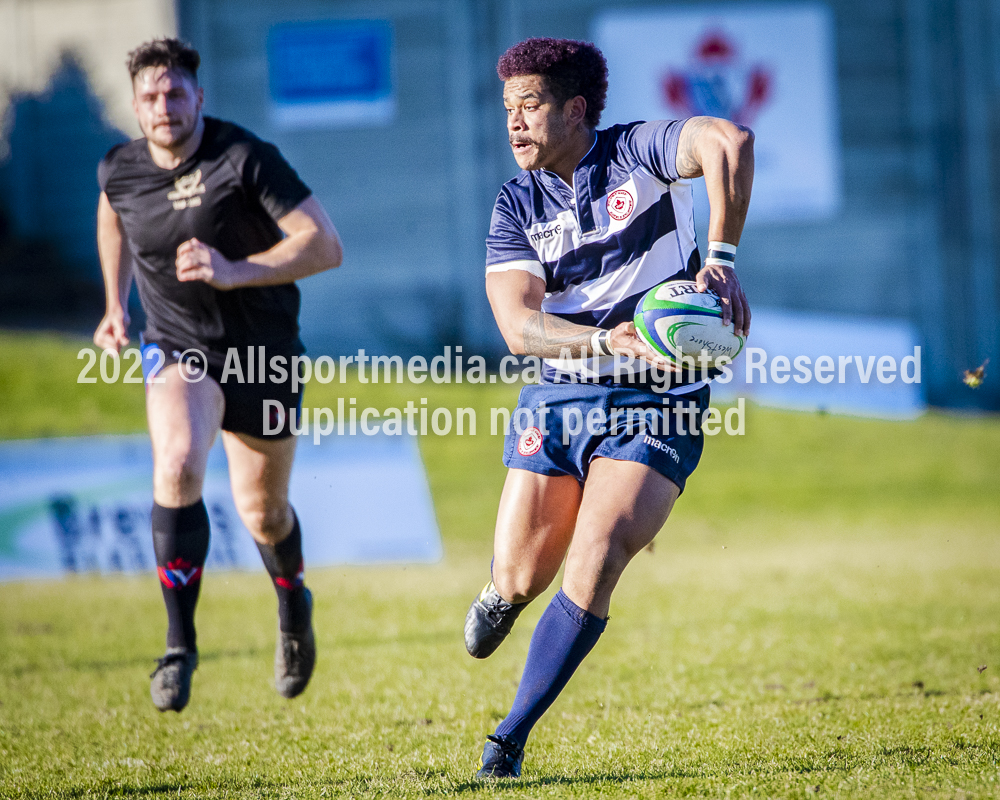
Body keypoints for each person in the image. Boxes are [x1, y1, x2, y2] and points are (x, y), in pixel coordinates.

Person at [464, 38, 753, 778]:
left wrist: (720, 260)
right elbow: (517, 325)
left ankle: (509, 739)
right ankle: (503, 593)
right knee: (523, 574)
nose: (515, 123)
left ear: (577, 109)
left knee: (596, 557)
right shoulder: (517, 202)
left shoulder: (638, 155)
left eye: (530, 105)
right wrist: (602, 340)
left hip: (661, 399)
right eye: (508, 109)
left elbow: (728, 139)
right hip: (563, 392)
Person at [93, 38, 343, 712]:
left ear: (199, 97)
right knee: (176, 464)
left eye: (175, 93)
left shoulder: (243, 158)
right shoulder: (120, 168)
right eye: (150, 95)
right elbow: (114, 216)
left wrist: (235, 271)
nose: (164, 105)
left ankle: (293, 607)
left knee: (263, 512)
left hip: (262, 352)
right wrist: (115, 307)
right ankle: (179, 647)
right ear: (137, 105)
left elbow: (324, 244)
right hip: (179, 347)